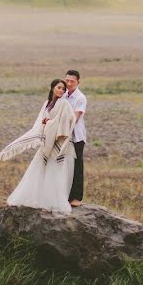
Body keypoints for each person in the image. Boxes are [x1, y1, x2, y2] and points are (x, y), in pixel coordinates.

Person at [0, 79, 77, 214]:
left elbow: (69, 119)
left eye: (63, 89)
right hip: (47, 141)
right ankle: (37, 198)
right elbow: (40, 120)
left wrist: (49, 123)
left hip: (58, 143)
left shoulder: (64, 104)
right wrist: (45, 124)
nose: (61, 90)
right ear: (52, 88)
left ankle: (52, 201)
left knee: (54, 172)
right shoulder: (47, 103)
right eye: (59, 88)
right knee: (39, 170)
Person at [63, 69, 87, 207]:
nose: (69, 83)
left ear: (78, 82)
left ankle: (77, 197)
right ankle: (66, 195)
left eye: (72, 81)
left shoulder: (80, 98)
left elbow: (75, 117)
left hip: (76, 136)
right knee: (65, 166)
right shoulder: (63, 94)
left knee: (77, 166)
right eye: (67, 80)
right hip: (63, 136)